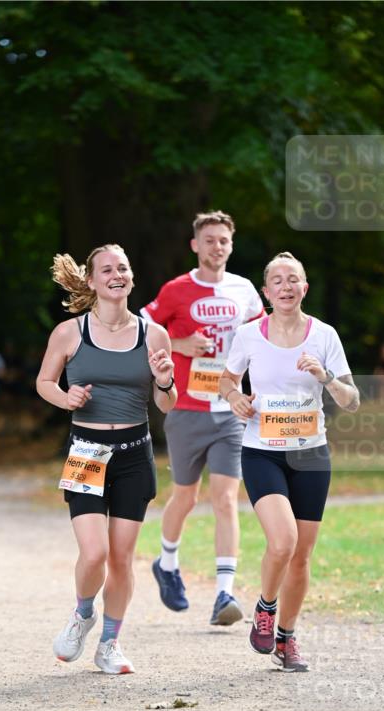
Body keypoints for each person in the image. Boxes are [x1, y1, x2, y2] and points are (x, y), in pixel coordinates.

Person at [36, 244, 176, 675]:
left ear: (131, 278)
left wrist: (166, 380)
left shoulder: (153, 335)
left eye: (124, 268)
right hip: (87, 452)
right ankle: (82, 615)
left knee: (121, 557)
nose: (117, 274)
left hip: (134, 454)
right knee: (93, 553)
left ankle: (110, 643)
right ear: (93, 281)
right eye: (107, 269)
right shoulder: (68, 333)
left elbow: (166, 404)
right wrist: (65, 397)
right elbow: (44, 381)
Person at [219, 251, 360, 672]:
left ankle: (287, 638)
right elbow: (227, 378)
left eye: (293, 279)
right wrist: (234, 398)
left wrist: (325, 377)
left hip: (311, 454)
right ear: (266, 292)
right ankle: (265, 607)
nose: (285, 286)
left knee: (302, 556)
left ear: (304, 288)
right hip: (262, 451)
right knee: (283, 542)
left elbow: (351, 401)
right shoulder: (248, 336)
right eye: (277, 280)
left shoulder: (324, 336)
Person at [142, 210, 264, 626]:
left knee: (227, 499)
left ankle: (224, 594)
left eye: (223, 240)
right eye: (209, 240)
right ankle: (167, 563)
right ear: (195, 245)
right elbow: (141, 329)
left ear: (231, 245)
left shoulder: (245, 290)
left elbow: (262, 340)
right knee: (186, 497)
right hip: (186, 408)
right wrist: (178, 342)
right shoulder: (177, 290)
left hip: (230, 409)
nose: (217, 247)